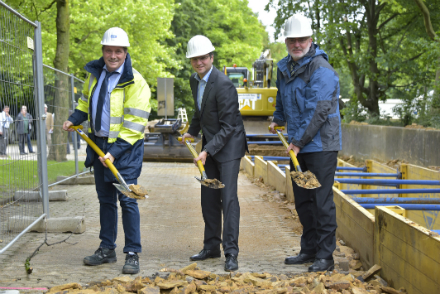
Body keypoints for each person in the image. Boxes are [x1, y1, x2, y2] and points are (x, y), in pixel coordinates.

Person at [62, 27, 151, 274]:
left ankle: (132, 252)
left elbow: (134, 126)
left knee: (128, 200)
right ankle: (107, 248)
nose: (113, 55)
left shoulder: (137, 82)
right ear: (103, 51)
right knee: (105, 201)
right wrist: (74, 119)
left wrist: (114, 152)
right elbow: (84, 103)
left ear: (125, 53)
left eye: (118, 51)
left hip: (126, 150)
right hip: (98, 146)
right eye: (109, 50)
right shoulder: (94, 74)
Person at [269, 14, 341, 272]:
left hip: (320, 147)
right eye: (292, 40)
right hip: (298, 146)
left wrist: (298, 142)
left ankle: (325, 256)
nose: (296, 44)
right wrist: (278, 118)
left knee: (321, 200)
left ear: (311, 39)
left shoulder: (321, 69)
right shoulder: (284, 67)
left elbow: (318, 111)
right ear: (286, 41)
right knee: (303, 199)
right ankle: (309, 249)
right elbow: (282, 95)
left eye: (301, 40)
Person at [180, 35, 248, 272]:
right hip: (210, 146)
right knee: (208, 198)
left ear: (211, 57)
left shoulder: (224, 84)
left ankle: (231, 253)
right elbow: (200, 111)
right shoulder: (195, 80)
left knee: (228, 199)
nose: (199, 62)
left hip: (229, 149)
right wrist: (192, 132)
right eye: (194, 59)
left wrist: (206, 150)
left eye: (203, 58)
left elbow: (229, 126)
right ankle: (211, 247)